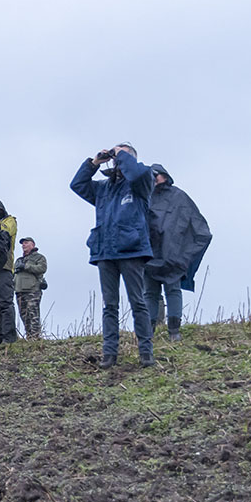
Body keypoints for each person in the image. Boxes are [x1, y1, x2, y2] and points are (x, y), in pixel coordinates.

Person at [70, 143, 155, 368]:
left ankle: (146, 352)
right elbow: (77, 184)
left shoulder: (141, 182)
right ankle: (109, 354)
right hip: (105, 252)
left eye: (121, 156)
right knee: (110, 305)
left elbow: (135, 172)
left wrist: (121, 153)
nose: (116, 159)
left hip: (132, 250)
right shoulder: (102, 189)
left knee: (138, 302)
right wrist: (94, 163)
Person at [145, 164, 212, 342]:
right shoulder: (144, 196)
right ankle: (147, 333)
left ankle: (174, 330)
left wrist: (184, 253)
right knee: (150, 293)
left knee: (172, 290)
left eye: (156, 175)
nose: (154, 178)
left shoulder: (179, 197)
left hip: (173, 255)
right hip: (148, 254)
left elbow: (198, 228)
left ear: (165, 176)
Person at [0, 199, 19, 344]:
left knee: (5, 303)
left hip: (4, 267)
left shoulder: (10, 221)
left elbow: (3, 233)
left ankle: (9, 337)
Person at [13, 238, 48, 340]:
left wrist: (26, 266)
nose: (23, 245)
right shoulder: (19, 260)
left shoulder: (39, 257)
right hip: (19, 291)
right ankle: (29, 336)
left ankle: (35, 337)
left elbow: (42, 268)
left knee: (33, 314)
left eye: (26, 243)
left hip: (32, 290)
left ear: (32, 245)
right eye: (22, 244)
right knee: (24, 315)